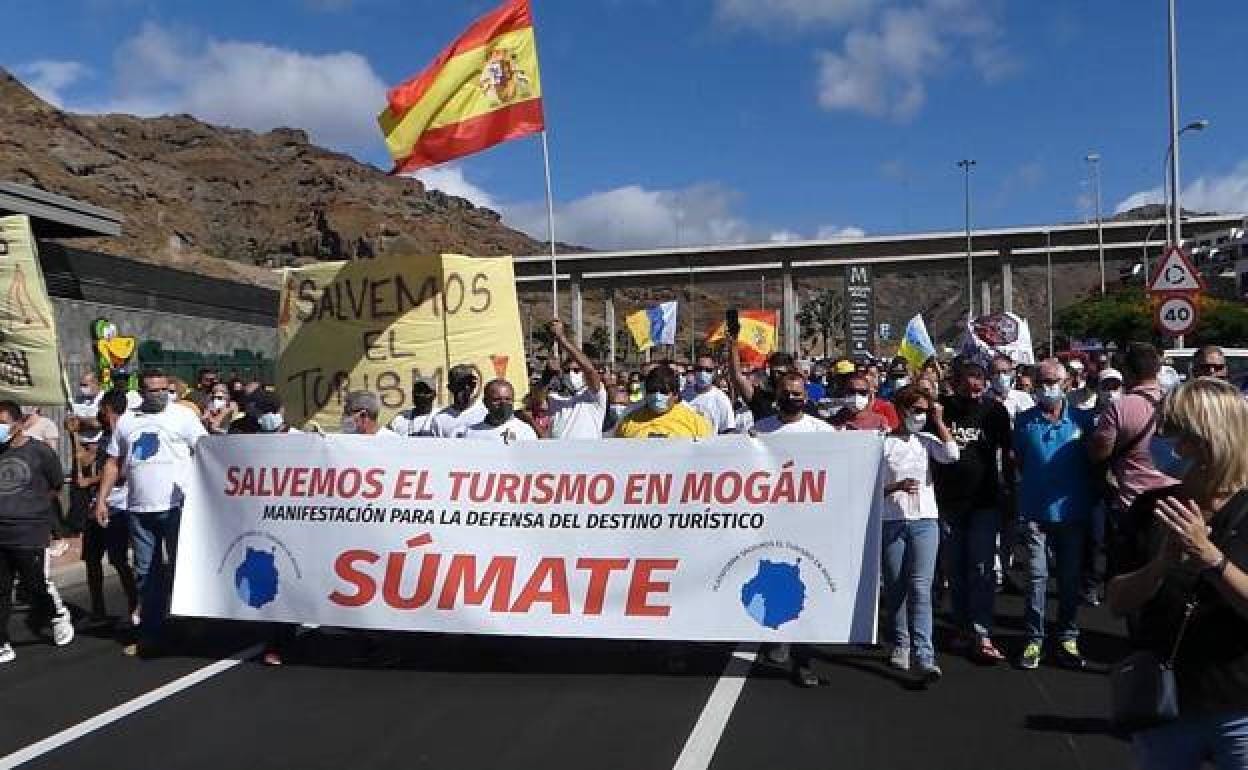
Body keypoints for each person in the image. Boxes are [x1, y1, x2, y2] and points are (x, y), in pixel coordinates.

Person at [1108, 378, 1248, 769]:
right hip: (1164, 703)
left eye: (1179, 433)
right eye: (1165, 430)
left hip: (1240, 706)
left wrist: (1212, 560)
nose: (1168, 445)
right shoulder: (1151, 508)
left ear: (1212, 438)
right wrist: (1160, 565)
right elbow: (1117, 601)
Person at [94, 369, 208, 656]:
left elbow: (207, 451)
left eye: (162, 390)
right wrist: (102, 500)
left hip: (176, 506)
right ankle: (151, 633)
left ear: (169, 389)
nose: (157, 395)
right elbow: (112, 462)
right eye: (151, 390)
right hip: (139, 510)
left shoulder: (183, 417)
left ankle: (190, 620)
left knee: (182, 568)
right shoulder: (127, 422)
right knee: (146, 573)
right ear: (141, 392)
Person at [1013, 360, 1096, 670]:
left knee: (1070, 578)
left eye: (1053, 381)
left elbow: (1094, 459)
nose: (1048, 387)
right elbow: (1018, 459)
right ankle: (1034, 639)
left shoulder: (1082, 421)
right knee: (1036, 577)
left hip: (1072, 512)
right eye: (1043, 381)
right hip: (1034, 512)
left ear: (1066, 384)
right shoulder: (1024, 422)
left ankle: (1067, 637)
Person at [932, 361, 1013, 663]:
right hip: (947, 502)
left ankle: (982, 631)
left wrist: (1010, 493)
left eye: (979, 380)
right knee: (955, 569)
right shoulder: (940, 411)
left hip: (984, 502)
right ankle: (961, 626)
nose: (974, 386)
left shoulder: (995, 412)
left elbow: (1008, 453)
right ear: (954, 382)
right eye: (967, 380)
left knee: (982, 569)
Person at [880, 385, 959, 683]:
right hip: (891, 520)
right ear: (900, 410)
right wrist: (896, 487)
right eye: (915, 411)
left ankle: (925, 653)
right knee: (896, 585)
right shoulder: (884, 443)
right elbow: (869, 485)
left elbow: (952, 455)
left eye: (924, 411)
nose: (920, 416)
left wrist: (938, 421)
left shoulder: (926, 440)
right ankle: (901, 643)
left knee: (921, 587)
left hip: (925, 519)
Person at [0, 400, 75, 664]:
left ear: (18, 424)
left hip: (29, 529)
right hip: (2, 530)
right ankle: (2, 642)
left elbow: (56, 483)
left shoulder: (39, 451)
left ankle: (56, 614)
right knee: (2, 588)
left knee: (33, 585)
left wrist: (36, 507)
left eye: (3, 423)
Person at [1090, 343, 1175, 568]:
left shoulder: (1120, 408)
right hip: (1174, 501)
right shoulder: (1176, 405)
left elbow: (1100, 453)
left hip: (1132, 503)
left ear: (1128, 372)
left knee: (1130, 571)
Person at [78, 390, 139, 625]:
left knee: (119, 560)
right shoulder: (104, 436)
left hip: (118, 506)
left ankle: (135, 606)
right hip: (97, 505)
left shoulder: (126, 434)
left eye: (102, 410)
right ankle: (98, 609)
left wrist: (92, 481)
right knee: (92, 560)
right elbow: (87, 458)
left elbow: (121, 473)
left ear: (108, 409)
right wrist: (75, 435)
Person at [545, 320, 607, 440]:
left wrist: (562, 339)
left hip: (588, 455)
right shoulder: (553, 396)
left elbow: (589, 370)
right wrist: (547, 373)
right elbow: (536, 399)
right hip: (559, 455)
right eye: (568, 371)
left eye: (577, 370)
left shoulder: (595, 396)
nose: (572, 374)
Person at [615, 365, 712, 439]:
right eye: (652, 390)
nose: (657, 396)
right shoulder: (627, 422)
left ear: (675, 394)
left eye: (664, 392)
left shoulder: (697, 423)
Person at [456, 379, 537, 442]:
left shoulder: (525, 431)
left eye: (508, 399)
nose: (503, 404)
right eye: (497, 400)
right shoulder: (471, 432)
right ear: (485, 402)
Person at [431, 365, 487, 437]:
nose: (466, 387)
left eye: (471, 384)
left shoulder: (487, 413)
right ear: (450, 388)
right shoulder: (439, 419)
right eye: (460, 384)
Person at [684, 356, 735, 434]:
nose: (703, 373)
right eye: (699, 369)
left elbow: (728, 430)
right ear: (694, 371)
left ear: (714, 372)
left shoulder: (721, 399)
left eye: (708, 370)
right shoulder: (684, 395)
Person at [985, 354, 1035, 422]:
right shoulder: (984, 398)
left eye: (1005, 372)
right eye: (996, 372)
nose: (1001, 376)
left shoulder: (1023, 398)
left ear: (1012, 373)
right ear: (989, 375)